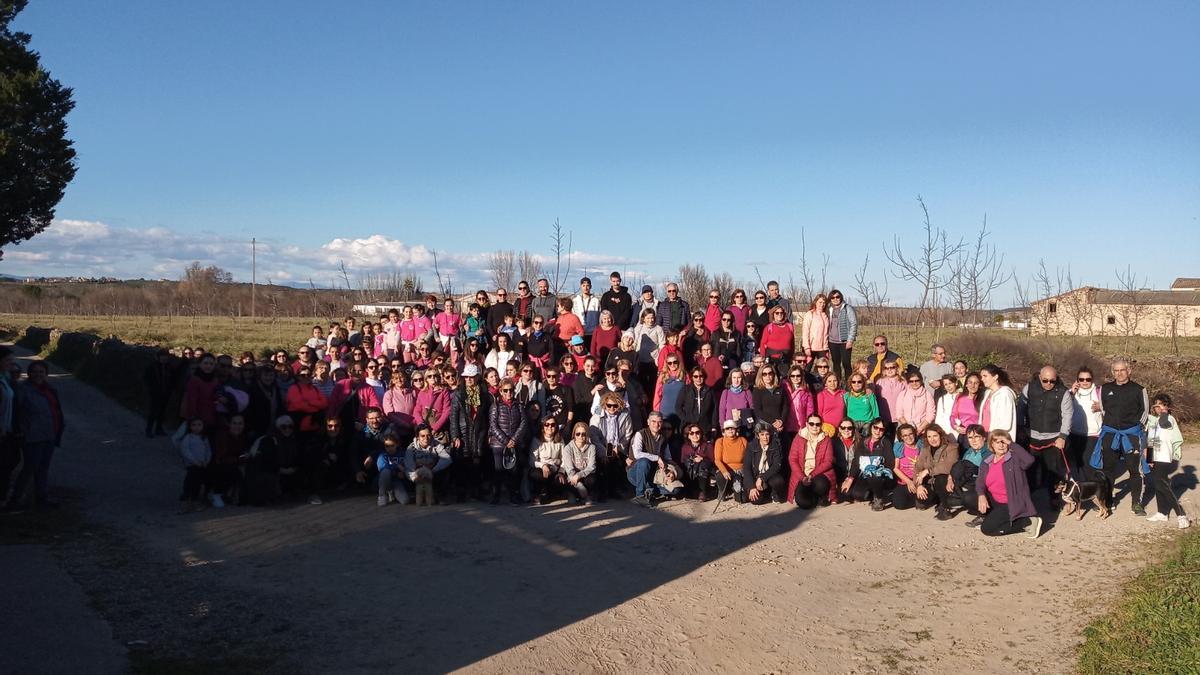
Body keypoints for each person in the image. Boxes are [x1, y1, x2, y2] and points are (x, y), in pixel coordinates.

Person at [1090, 358, 1150, 515]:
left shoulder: (1139, 389)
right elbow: (1103, 410)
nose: (1119, 373)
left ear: (1129, 371)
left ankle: (1136, 503)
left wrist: (1135, 429)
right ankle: (1108, 501)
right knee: (1108, 470)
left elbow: (1145, 413)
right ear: (1112, 372)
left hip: (1131, 436)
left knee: (1135, 471)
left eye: (1122, 370)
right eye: (1116, 371)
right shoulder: (1105, 388)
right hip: (1110, 435)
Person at [7, 361, 65, 510]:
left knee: (43, 468)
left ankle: (41, 498)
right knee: (29, 469)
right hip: (32, 436)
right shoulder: (23, 390)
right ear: (29, 373)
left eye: (41, 372)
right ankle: (15, 500)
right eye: (35, 372)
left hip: (49, 435)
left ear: (46, 374)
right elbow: (15, 411)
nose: (38, 375)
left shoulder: (51, 390)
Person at [1017, 365, 1073, 499]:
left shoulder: (1063, 392)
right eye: (1045, 380)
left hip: (1053, 439)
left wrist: (1063, 436)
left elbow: (1068, 416)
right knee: (1031, 470)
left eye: (1052, 381)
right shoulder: (1029, 388)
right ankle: (1028, 501)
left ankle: (1054, 499)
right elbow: (1021, 409)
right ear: (1039, 377)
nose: (1049, 384)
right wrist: (1020, 428)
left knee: (1053, 472)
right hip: (1031, 437)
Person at [976, 430, 1043, 538]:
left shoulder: (1014, 458)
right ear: (991, 444)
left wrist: (1011, 443)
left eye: (1004, 442)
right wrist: (981, 495)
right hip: (994, 500)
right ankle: (997, 517)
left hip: (1011, 502)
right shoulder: (987, 461)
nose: (1001, 445)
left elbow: (1029, 460)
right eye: (997, 442)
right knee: (971, 497)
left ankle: (1027, 522)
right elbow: (980, 481)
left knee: (986, 529)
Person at [1145, 394, 1190, 528]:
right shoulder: (1153, 420)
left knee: (1163, 485)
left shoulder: (1169, 419)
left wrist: (1164, 412)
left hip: (1164, 457)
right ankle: (1162, 513)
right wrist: (1149, 459)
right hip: (1155, 457)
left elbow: (1164, 423)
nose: (1158, 408)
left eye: (1161, 404)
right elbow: (1151, 440)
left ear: (1167, 406)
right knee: (1158, 485)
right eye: (1156, 405)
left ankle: (1181, 514)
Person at [449, 364, 492, 502]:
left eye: (471, 377)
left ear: (477, 377)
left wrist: (489, 434)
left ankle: (476, 491)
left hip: (479, 431)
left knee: (477, 461)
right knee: (463, 462)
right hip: (464, 431)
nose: (468, 379)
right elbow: (453, 416)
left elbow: (489, 416)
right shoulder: (459, 393)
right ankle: (461, 492)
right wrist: (455, 435)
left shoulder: (484, 394)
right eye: (466, 376)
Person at [488, 378, 529, 505]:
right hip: (499, 444)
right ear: (500, 391)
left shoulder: (519, 406)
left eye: (511, 390)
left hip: (514, 443)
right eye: (505, 390)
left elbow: (523, 423)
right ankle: (496, 495)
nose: (508, 393)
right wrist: (505, 441)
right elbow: (493, 426)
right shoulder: (496, 406)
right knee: (498, 469)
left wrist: (514, 440)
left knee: (514, 470)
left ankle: (513, 495)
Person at [841, 419, 895, 509]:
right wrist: (850, 479)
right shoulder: (863, 441)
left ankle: (878, 498)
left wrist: (881, 470)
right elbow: (856, 461)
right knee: (854, 493)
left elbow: (890, 462)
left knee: (875, 477)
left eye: (881, 429)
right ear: (871, 427)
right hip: (865, 474)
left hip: (880, 476)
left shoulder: (886, 442)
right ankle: (872, 494)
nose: (878, 431)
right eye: (876, 427)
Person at [590, 391, 633, 501]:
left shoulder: (625, 416)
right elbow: (594, 437)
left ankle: (614, 490)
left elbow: (627, 435)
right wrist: (604, 451)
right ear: (605, 405)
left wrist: (618, 448)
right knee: (605, 461)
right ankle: (603, 491)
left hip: (618, 445)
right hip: (603, 445)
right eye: (609, 405)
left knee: (617, 462)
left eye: (615, 405)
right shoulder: (597, 416)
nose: (612, 408)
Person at [911, 425, 960, 520]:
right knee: (921, 502)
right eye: (929, 436)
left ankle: (945, 507)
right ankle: (937, 499)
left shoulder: (952, 448)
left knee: (941, 478)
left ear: (941, 435)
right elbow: (917, 467)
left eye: (935, 436)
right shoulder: (925, 449)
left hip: (946, 482)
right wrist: (918, 486)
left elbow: (949, 466)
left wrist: (928, 471)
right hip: (930, 483)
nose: (932, 439)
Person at [789, 415, 836, 508]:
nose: (815, 426)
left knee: (821, 485)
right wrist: (802, 477)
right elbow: (792, 459)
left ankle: (821, 496)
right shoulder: (798, 438)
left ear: (821, 425)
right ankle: (815, 498)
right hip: (802, 472)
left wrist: (812, 475)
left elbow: (828, 461)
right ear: (807, 424)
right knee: (803, 503)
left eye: (818, 424)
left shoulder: (826, 439)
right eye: (811, 424)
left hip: (819, 472)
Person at [628, 412, 671, 507]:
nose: (656, 424)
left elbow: (668, 458)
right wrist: (657, 458)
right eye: (653, 421)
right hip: (636, 472)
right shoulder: (640, 434)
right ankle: (640, 495)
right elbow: (637, 454)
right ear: (648, 422)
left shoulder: (663, 438)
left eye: (659, 422)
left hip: (653, 474)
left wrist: (669, 469)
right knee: (644, 461)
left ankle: (650, 491)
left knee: (675, 490)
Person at [953, 424, 991, 527]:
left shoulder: (988, 452)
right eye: (970, 437)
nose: (973, 440)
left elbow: (988, 476)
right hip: (968, 482)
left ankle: (983, 515)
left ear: (984, 438)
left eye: (977, 437)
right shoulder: (968, 452)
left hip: (984, 485)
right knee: (951, 499)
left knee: (967, 497)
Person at [172, 418, 212, 513]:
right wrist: (194, 461)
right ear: (190, 427)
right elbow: (185, 451)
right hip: (192, 465)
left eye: (199, 425)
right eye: (194, 425)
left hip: (202, 465)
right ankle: (186, 503)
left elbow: (208, 450)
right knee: (189, 483)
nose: (197, 427)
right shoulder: (188, 438)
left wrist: (207, 460)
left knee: (198, 484)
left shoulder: (204, 438)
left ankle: (195, 502)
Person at [1068, 366, 1102, 475]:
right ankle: (1082, 488)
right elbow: (1062, 408)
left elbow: (1111, 407)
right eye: (1081, 379)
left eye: (1088, 379)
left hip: (1093, 434)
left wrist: (1101, 406)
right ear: (1077, 380)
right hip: (1074, 433)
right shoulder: (1071, 393)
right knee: (1078, 462)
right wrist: (1071, 393)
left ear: (1092, 380)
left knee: (1088, 461)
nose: (1085, 382)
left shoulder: (1099, 392)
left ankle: (1092, 486)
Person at [742, 423, 786, 504]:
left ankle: (773, 492)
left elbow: (776, 466)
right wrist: (752, 487)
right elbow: (746, 467)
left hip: (769, 475)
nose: (765, 437)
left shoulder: (775, 445)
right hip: (756, 475)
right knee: (756, 501)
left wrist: (762, 478)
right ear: (758, 436)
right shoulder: (751, 446)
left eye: (767, 434)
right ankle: (764, 494)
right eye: (762, 434)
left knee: (778, 481)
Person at [529, 416, 567, 504]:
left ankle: (552, 494)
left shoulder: (560, 439)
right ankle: (538, 494)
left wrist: (561, 471)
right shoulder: (536, 439)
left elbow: (564, 458)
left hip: (555, 469)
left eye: (553, 425)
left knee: (560, 480)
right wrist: (543, 465)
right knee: (536, 475)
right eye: (547, 424)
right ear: (543, 426)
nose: (550, 427)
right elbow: (531, 461)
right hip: (541, 469)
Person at [561, 422, 598, 505]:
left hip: (585, 475)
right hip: (572, 477)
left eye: (583, 434)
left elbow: (592, 467)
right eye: (578, 434)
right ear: (574, 434)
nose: (581, 436)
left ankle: (586, 496)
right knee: (572, 502)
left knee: (592, 480)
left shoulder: (592, 447)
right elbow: (569, 468)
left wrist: (579, 475)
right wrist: (579, 484)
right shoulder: (568, 448)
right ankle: (577, 494)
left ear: (587, 435)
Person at [890, 424, 925, 510]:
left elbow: (926, 465)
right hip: (905, 481)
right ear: (901, 437)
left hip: (919, 480)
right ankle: (915, 499)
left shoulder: (921, 445)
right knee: (898, 504)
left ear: (914, 434)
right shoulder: (899, 447)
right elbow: (895, 468)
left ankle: (920, 500)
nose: (908, 437)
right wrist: (909, 482)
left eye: (910, 434)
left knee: (924, 500)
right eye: (905, 435)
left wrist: (918, 484)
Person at [825, 289, 857, 382]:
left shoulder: (847, 308)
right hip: (832, 341)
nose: (835, 299)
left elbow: (853, 324)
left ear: (841, 297)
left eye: (837, 297)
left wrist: (850, 340)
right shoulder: (829, 309)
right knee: (836, 364)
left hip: (844, 341)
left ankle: (849, 384)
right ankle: (837, 383)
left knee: (846, 363)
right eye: (833, 297)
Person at [143, 349, 176, 437]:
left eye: (165, 356)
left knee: (162, 411)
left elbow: (173, 379)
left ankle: (159, 429)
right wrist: (151, 389)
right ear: (158, 357)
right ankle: (149, 430)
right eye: (162, 356)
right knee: (153, 412)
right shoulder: (152, 367)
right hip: (155, 393)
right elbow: (146, 379)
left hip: (165, 393)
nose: (164, 358)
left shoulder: (170, 367)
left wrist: (170, 390)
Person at [678, 367, 718, 440]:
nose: (698, 378)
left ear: (704, 377)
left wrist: (714, 426)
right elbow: (678, 407)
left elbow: (715, 409)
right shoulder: (686, 389)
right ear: (692, 377)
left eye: (701, 376)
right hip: (689, 426)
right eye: (695, 376)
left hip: (705, 427)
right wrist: (686, 419)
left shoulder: (710, 391)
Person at [979, 364, 1018, 437]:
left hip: (998, 438)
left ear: (995, 377)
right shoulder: (987, 393)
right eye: (981, 376)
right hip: (985, 436)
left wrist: (993, 436)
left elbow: (1005, 423)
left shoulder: (1005, 394)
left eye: (985, 376)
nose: (982, 379)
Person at [713, 419, 748, 502]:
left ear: (736, 430)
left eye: (732, 428)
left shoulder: (743, 440)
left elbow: (748, 458)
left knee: (742, 499)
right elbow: (717, 460)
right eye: (727, 429)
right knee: (720, 476)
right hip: (727, 470)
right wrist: (724, 471)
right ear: (723, 431)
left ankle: (736, 490)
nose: (730, 430)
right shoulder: (720, 441)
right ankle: (723, 492)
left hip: (741, 471)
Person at [679, 423, 715, 500]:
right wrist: (691, 460)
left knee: (702, 464)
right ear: (688, 435)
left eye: (697, 432)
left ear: (701, 434)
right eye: (691, 433)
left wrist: (702, 459)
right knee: (688, 464)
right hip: (691, 472)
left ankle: (702, 492)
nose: (695, 435)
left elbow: (712, 461)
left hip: (705, 472)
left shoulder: (708, 446)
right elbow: (682, 462)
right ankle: (691, 491)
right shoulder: (685, 447)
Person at [631, 309, 665, 391]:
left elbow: (662, 344)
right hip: (640, 361)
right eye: (648, 318)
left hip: (653, 361)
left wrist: (659, 359)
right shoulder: (639, 328)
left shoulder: (658, 329)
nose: (650, 320)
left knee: (652, 385)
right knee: (641, 383)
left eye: (652, 318)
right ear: (643, 318)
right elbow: (634, 343)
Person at [895, 371, 935, 436]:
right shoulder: (902, 394)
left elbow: (931, 414)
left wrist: (920, 429)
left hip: (922, 430)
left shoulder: (927, 394)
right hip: (905, 429)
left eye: (917, 380)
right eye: (911, 381)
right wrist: (908, 428)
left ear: (921, 381)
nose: (914, 383)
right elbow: (899, 414)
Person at [752, 366, 787, 436]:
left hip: (780, 425)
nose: (767, 376)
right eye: (764, 374)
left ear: (773, 374)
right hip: (764, 426)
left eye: (770, 373)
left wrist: (781, 421)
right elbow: (758, 410)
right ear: (760, 376)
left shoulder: (780, 389)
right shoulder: (757, 390)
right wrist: (774, 422)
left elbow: (785, 407)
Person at [375, 432, 408, 506]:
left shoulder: (403, 453)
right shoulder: (383, 455)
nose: (389, 448)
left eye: (392, 446)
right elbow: (383, 469)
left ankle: (392, 492)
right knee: (386, 471)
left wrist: (404, 472)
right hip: (385, 481)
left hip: (397, 482)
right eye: (387, 446)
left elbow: (408, 466)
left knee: (405, 500)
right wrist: (397, 468)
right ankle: (382, 495)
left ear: (397, 444)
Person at [760, 305, 795, 371]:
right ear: (773, 314)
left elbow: (792, 343)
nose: (779, 314)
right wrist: (763, 357)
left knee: (785, 379)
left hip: (785, 359)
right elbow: (763, 343)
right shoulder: (769, 327)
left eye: (781, 313)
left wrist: (792, 357)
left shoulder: (790, 326)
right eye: (777, 313)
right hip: (772, 359)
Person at [874, 360, 906, 431]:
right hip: (884, 416)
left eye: (892, 367)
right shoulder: (879, 382)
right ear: (884, 370)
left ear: (897, 369)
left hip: (899, 417)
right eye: (886, 368)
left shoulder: (903, 382)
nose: (889, 370)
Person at [800, 294, 830, 368]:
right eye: (820, 302)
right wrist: (806, 347)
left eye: (824, 302)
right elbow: (805, 331)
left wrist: (827, 348)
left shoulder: (826, 315)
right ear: (815, 302)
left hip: (823, 348)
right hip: (811, 347)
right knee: (807, 368)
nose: (822, 304)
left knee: (823, 369)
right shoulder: (810, 314)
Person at [951, 373, 983, 440]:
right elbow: (953, 416)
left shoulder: (983, 400)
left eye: (976, 383)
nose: (973, 386)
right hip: (962, 435)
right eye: (970, 382)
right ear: (966, 384)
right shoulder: (959, 398)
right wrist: (956, 427)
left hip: (976, 436)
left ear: (979, 385)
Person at [934, 375, 961, 444]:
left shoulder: (962, 397)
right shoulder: (942, 399)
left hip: (959, 429)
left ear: (956, 383)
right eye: (946, 384)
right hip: (945, 430)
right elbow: (939, 417)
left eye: (950, 383)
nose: (948, 386)